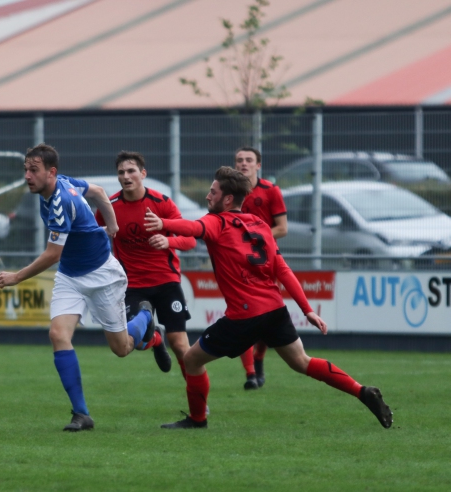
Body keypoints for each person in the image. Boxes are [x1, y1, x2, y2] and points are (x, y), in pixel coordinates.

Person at [145, 166, 392, 430]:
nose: (208, 196)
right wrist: (307, 310)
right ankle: (361, 391)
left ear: (227, 199)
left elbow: (193, 227)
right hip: (275, 309)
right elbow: (282, 270)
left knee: (192, 360)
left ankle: (197, 419)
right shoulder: (260, 224)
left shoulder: (218, 222)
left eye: (213, 192)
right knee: (302, 361)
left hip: (244, 315)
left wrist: (164, 224)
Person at [0, 143, 159, 432]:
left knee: (121, 349)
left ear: (51, 172)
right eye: (26, 170)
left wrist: (16, 277)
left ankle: (145, 316)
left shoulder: (60, 201)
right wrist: (112, 225)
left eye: (34, 170)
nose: (28, 176)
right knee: (58, 334)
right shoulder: (65, 182)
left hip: (102, 275)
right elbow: (98, 192)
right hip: (70, 276)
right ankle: (81, 414)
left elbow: (52, 254)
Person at [95, 151, 196, 376]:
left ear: (143, 173)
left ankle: (196, 396)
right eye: (121, 172)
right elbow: (95, 237)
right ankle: (156, 339)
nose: (126, 176)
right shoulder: (109, 207)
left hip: (166, 281)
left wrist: (168, 240)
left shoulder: (162, 203)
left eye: (131, 171)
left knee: (180, 345)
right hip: (131, 284)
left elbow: (190, 240)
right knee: (135, 342)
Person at [234, 146, 288, 390]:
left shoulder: (270, 190)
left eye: (249, 160)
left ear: (258, 165)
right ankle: (250, 375)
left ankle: (259, 357)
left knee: (267, 315)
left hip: (266, 262)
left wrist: (255, 239)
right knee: (242, 315)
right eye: (239, 160)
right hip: (237, 263)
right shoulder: (229, 191)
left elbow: (282, 228)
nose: (243, 163)